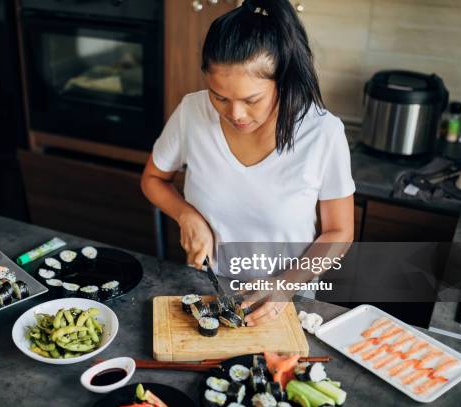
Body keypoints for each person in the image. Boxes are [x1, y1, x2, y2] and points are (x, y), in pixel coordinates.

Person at [141, 0, 355, 326]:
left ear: (281, 81)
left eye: (251, 99)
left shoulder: (323, 132)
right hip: (207, 287)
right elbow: (153, 179)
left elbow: (339, 232)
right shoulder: (192, 112)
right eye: (219, 97)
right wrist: (187, 216)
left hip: (287, 298)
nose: (235, 114)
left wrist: (284, 286)